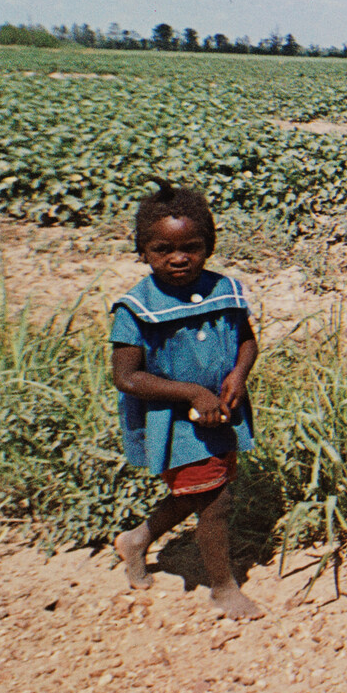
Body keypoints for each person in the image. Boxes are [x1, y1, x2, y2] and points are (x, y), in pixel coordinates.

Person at [109, 178, 262, 620]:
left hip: (223, 413)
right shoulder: (136, 307)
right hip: (175, 422)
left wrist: (239, 373)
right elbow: (126, 376)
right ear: (142, 251)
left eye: (191, 247)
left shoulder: (225, 291)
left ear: (208, 245)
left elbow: (248, 340)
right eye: (162, 250)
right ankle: (223, 588)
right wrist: (194, 392)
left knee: (200, 491)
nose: (178, 258)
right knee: (215, 502)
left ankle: (136, 539)